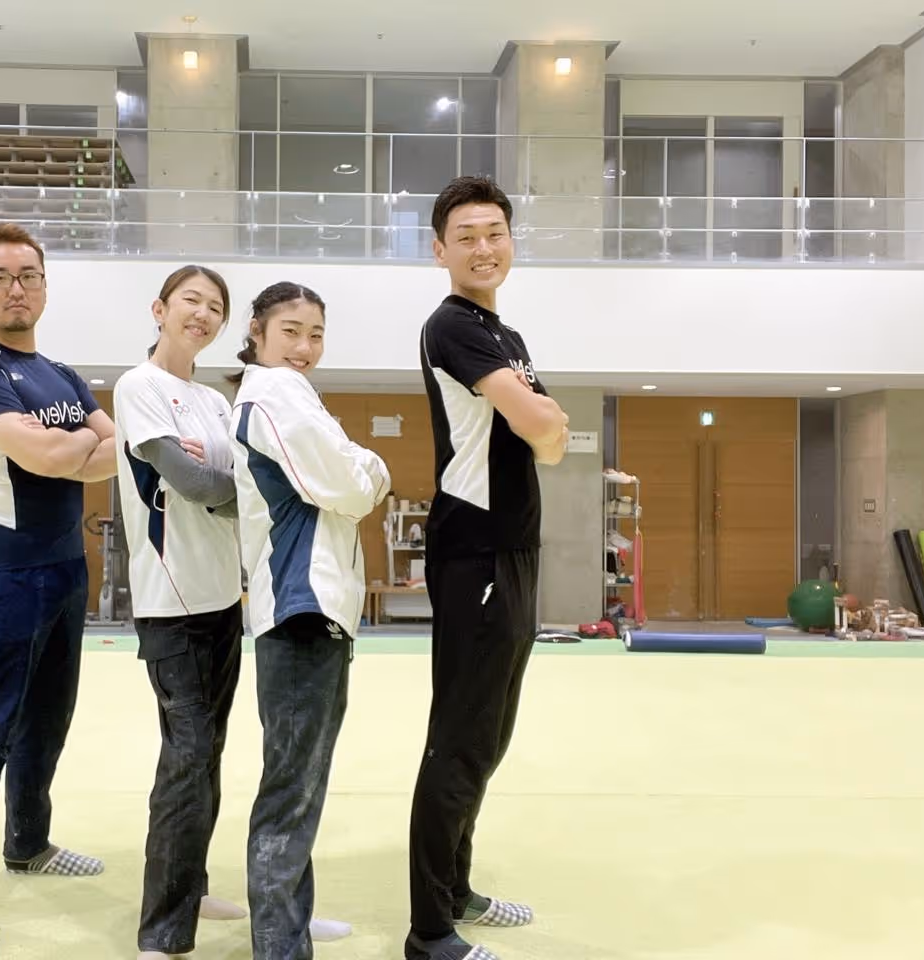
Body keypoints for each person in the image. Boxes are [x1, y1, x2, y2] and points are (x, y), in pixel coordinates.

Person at [0, 222, 118, 960]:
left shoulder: (62, 374)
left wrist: (73, 453)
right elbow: (49, 455)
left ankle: (29, 844)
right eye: (0, 277)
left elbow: (118, 448)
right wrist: (77, 450)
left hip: (67, 567)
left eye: (29, 275)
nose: (17, 288)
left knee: (47, 722)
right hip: (1, 575)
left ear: (44, 285)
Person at [405, 176, 569, 960]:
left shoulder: (506, 336)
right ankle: (429, 930)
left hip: (514, 550)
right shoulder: (453, 326)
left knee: (490, 736)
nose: (483, 248)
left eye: (495, 233)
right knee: (460, 739)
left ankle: (456, 889)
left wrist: (545, 422)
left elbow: (554, 441)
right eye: (466, 236)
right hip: (474, 553)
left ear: (511, 241)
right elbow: (541, 423)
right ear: (440, 250)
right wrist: (544, 419)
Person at [230, 282, 391, 960]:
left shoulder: (292, 394)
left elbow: (341, 478)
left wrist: (355, 465)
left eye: (316, 333)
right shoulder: (273, 394)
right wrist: (371, 465)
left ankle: (288, 930)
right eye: (290, 331)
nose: (304, 346)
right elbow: (352, 486)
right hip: (301, 610)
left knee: (299, 787)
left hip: (313, 612)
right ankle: (279, 946)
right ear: (258, 332)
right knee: (291, 792)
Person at [112, 265, 249, 960]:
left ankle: (191, 889)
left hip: (226, 599)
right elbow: (196, 483)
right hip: (173, 606)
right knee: (186, 757)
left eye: (215, 306)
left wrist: (229, 484)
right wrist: (233, 487)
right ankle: (161, 931)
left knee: (209, 755)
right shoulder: (138, 387)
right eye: (190, 300)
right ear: (160, 309)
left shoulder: (215, 402)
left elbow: (238, 477)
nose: (202, 313)